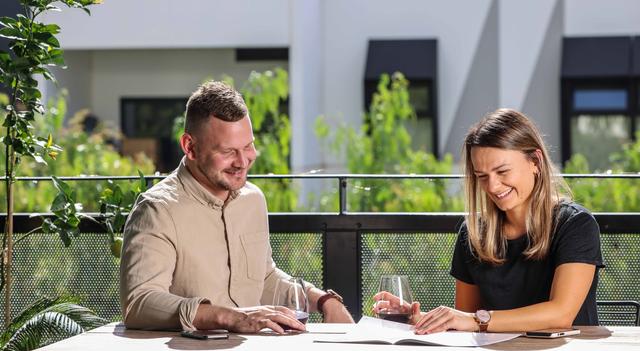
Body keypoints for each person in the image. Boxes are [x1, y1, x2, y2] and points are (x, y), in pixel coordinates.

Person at [120, 81, 353, 333]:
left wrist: (323, 300)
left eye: (248, 146)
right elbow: (139, 303)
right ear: (190, 147)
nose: (243, 162)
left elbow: (263, 279)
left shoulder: (252, 200)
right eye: (228, 151)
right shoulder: (157, 209)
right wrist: (228, 317)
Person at [373, 108, 604, 333]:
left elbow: (560, 315)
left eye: (502, 171)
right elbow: (466, 321)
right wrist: (421, 319)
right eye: (482, 176)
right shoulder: (473, 233)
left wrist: (476, 320)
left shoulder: (576, 224)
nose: (492, 186)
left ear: (535, 162)